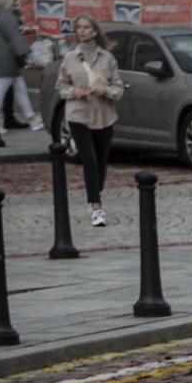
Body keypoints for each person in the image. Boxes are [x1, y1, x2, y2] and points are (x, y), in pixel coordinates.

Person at [56, 15, 123, 228]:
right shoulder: (70, 58)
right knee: (90, 161)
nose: (82, 31)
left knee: (102, 162)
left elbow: (119, 88)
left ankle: (95, 191)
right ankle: (96, 207)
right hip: (78, 114)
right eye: (79, 28)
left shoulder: (107, 58)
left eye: (86, 27)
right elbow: (60, 86)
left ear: (95, 31)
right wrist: (73, 91)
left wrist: (105, 90)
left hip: (104, 115)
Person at [0, 0, 41, 132]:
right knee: (1, 91)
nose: (17, 1)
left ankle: (32, 118)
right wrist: (29, 56)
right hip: (8, 60)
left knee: (19, 88)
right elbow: (17, 39)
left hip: (0, 57)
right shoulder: (9, 17)